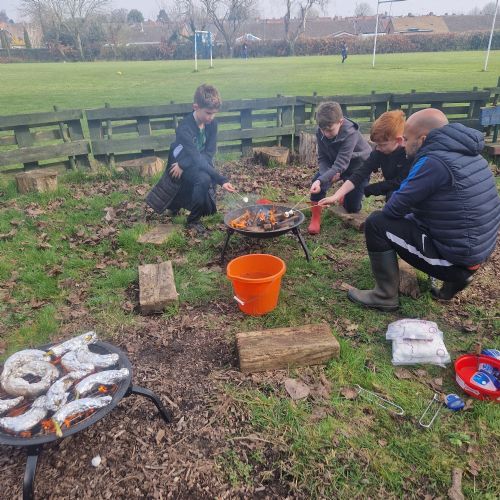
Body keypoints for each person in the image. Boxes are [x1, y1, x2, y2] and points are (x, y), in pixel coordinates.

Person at [322, 108, 500, 311]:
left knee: (377, 223)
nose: (403, 144)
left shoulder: (432, 162)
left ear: (423, 139)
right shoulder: (471, 155)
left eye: (406, 139)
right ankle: (453, 285)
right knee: (416, 215)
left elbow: (393, 209)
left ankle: (384, 295)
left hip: (454, 261)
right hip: (478, 254)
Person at [146, 84, 236, 235]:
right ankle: (193, 221)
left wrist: (184, 164)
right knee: (204, 179)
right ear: (196, 107)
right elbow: (195, 156)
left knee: (209, 211)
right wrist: (221, 180)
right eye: (208, 113)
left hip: (188, 163)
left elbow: (209, 153)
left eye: (214, 114)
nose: (211, 117)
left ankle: (178, 204)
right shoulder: (184, 128)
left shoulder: (212, 124)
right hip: (177, 164)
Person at [318, 110, 411, 207]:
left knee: (394, 196)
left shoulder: (409, 155)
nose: (378, 148)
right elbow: (360, 174)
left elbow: (401, 182)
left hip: (409, 191)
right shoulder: (379, 152)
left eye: (382, 145)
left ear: (398, 140)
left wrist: (373, 188)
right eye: (377, 144)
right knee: (351, 207)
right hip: (392, 186)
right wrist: (336, 196)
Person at [308, 101, 372, 235]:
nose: (326, 134)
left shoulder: (350, 133)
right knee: (317, 182)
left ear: (340, 122)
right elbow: (323, 158)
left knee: (352, 208)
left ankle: (345, 194)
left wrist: (323, 179)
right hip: (336, 165)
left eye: (330, 130)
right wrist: (324, 177)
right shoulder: (321, 131)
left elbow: (341, 164)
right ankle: (315, 218)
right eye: (323, 130)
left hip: (357, 167)